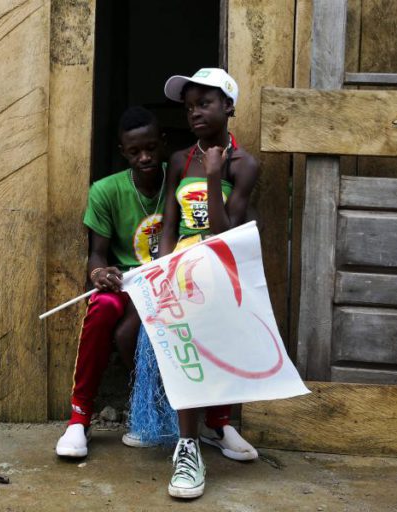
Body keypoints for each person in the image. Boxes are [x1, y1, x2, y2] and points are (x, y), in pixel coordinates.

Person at [158, 68, 260, 498]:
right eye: (189, 107)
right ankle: (188, 446)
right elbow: (169, 221)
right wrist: (161, 268)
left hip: (220, 272)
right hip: (181, 272)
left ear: (228, 107)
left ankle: (217, 427)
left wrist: (215, 176)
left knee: (216, 354)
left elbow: (224, 234)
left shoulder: (244, 164)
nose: (195, 112)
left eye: (205, 103)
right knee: (186, 354)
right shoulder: (181, 159)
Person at [55, 106, 167, 458]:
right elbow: (98, 253)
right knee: (101, 306)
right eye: (135, 152)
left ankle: (177, 411)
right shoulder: (105, 191)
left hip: (168, 281)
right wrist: (99, 274)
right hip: (127, 282)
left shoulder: (177, 178)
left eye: (150, 148)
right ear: (123, 152)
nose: (144, 157)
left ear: (161, 143)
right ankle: (79, 418)